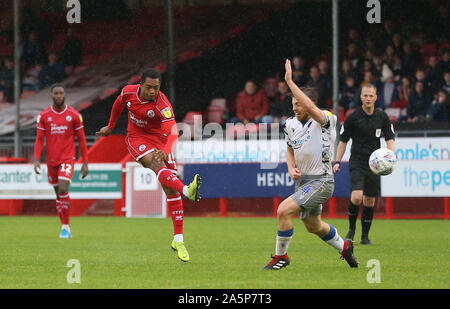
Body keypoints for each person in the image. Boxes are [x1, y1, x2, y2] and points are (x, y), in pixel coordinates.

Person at [96, 68, 201, 262]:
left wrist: (167, 150)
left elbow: (173, 132)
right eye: (149, 87)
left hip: (161, 140)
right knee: (154, 163)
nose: (153, 92)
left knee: (170, 190)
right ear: (140, 84)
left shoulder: (163, 105)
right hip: (137, 138)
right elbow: (119, 104)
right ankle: (187, 190)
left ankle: (178, 240)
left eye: (156, 88)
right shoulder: (128, 92)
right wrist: (110, 127)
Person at [263, 59, 358, 270]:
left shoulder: (326, 120)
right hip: (304, 181)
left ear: (308, 103)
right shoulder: (289, 124)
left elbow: (309, 107)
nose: (295, 107)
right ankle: (345, 247)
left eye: (298, 103)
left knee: (283, 210)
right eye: (293, 104)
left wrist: (289, 80)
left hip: (322, 181)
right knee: (313, 225)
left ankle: (281, 257)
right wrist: (290, 167)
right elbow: (290, 149)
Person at [333, 83, 396, 245]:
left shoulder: (382, 117)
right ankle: (351, 230)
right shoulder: (353, 117)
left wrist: (391, 158)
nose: (368, 98)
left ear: (375, 98)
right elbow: (343, 140)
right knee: (357, 196)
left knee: (369, 201)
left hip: (375, 164)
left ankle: (365, 237)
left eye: (371, 96)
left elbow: (390, 137)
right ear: (361, 97)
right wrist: (337, 161)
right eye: (365, 95)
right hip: (358, 162)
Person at [33, 84, 89, 239]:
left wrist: (85, 161)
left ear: (65, 95)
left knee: (63, 188)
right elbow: (39, 139)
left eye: (61, 93)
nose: (59, 96)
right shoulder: (44, 116)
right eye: (56, 93)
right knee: (58, 195)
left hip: (67, 157)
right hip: (51, 160)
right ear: (52, 96)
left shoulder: (74, 115)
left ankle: (66, 227)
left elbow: (82, 140)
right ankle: (64, 227)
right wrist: (37, 159)